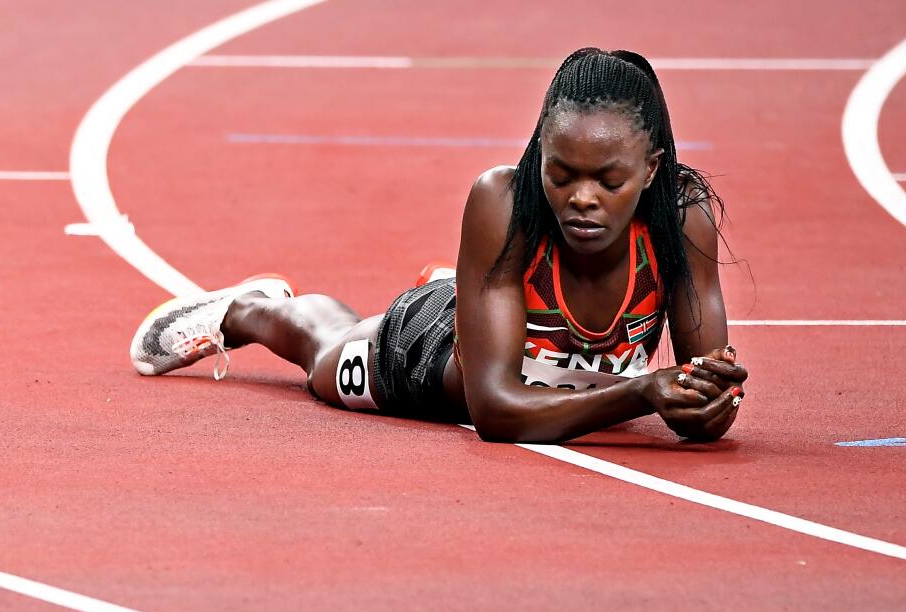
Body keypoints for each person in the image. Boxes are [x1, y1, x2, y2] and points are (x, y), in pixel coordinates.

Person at [129, 48, 745, 444]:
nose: (583, 198)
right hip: (430, 359)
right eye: (560, 174)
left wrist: (710, 406)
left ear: (653, 170)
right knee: (323, 363)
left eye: (609, 181)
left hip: (529, 352)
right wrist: (641, 391)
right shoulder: (503, 201)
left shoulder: (681, 221)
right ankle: (250, 308)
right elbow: (496, 412)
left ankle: (465, 289)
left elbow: (705, 390)